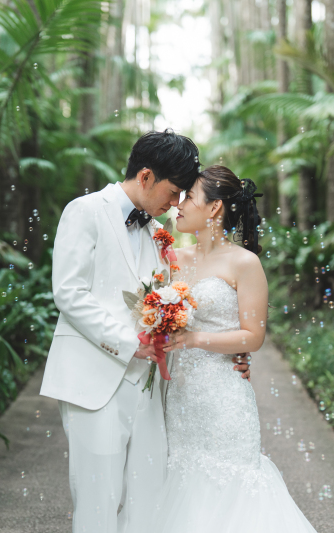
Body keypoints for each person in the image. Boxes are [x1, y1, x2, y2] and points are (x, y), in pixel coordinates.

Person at [40, 131, 252, 533]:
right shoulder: (85, 211)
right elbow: (68, 292)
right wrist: (127, 344)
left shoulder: (159, 235)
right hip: (95, 380)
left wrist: (231, 352)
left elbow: (189, 303)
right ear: (145, 176)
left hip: (152, 388)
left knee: (149, 500)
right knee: (98, 500)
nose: (175, 205)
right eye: (173, 193)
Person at [135, 165, 318, 532]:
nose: (179, 205)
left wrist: (195, 339)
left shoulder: (244, 263)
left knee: (230, 487)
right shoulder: (172, 259)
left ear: (215, 208)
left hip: (223, 397)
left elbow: (253, 336)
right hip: (179, 396)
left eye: (189, 197)